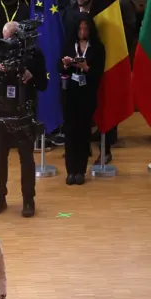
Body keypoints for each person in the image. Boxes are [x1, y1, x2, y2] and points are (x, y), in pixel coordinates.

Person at [0, 21, 47, 218]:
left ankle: (28, 200)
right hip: (0, 110)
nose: (7, 42)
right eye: (5, 38)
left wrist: (32, 76)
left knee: (26, 159)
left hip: (24, 111)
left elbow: (44, 84)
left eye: (11, 38)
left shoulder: (34, 53)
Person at [59, 14, 105, 185]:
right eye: (80, 28)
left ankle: (81, 171)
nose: (83, 31)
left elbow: (99, 73)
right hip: (70, 93)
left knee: (83, 132)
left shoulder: (98, 48)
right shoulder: (69, 45)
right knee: (70, 132)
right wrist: (65, 64)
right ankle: (70, 170)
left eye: (86, 28)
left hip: (87, 94)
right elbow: (58, 66)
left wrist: (86, 68)